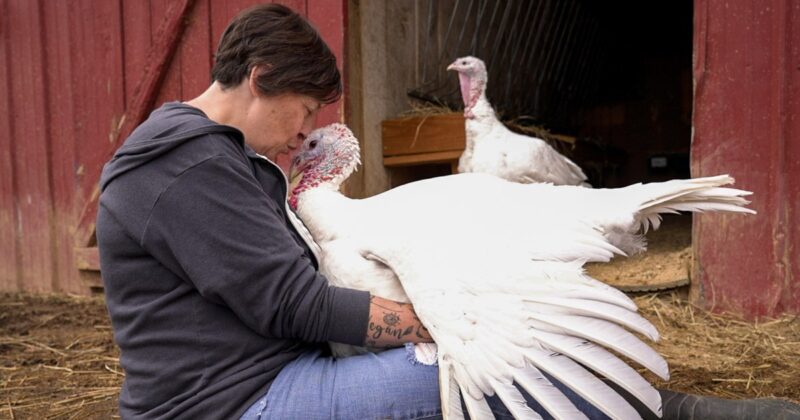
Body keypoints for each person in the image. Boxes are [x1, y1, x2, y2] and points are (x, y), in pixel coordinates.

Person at [97, 4, 800, 420]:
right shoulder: (185, 165)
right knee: (486, 371)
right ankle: (664, 411)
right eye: (305, 112)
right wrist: (438, 326)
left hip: (268, 375)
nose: (300, 133)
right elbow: (295, 305)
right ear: (259, 82)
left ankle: (653, 405)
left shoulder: (224, 157)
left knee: (497, 355)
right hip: (233, 404)